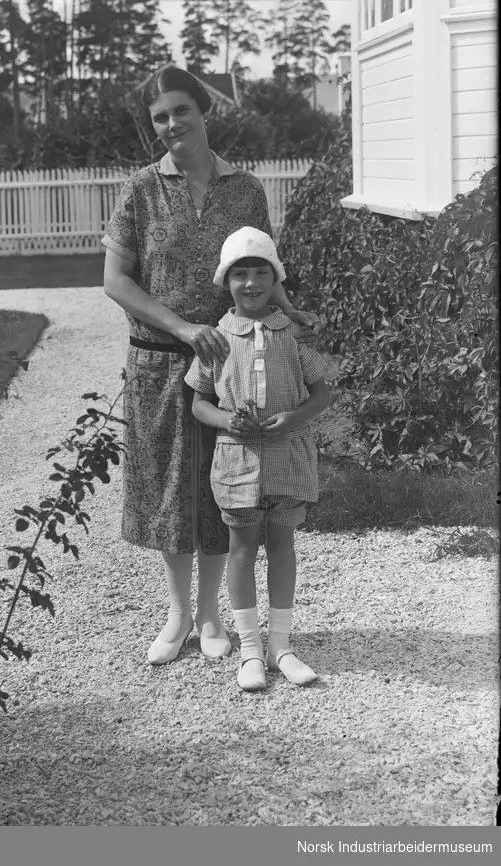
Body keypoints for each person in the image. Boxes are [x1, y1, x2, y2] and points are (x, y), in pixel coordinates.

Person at [102, 66, 317, 666]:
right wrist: (181, 327)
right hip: (159, 362)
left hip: (230, 363)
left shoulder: (245, 189)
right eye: (160, 118)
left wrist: (291, 314)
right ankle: (176, 614)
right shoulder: (141, 189)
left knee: (225, 485)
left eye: (181, 111)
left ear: (204, 111)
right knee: (170, 491)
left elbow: (262, 268)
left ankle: (212, 614)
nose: (172, 125)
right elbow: (114, 280)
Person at [184, 226, 330, 691]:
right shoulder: (217, 338)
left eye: (260, 273)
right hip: (237, 462)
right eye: (240, 274)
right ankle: (249, 650)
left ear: (275, 277)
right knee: (242, 549)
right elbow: (199, 403)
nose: (251, 283)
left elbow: (323, 393)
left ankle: (281, 646)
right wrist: (227, 420)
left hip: (288, 456)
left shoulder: (295, 334)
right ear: (226, 281)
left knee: (283, 547)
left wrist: (293, 417)